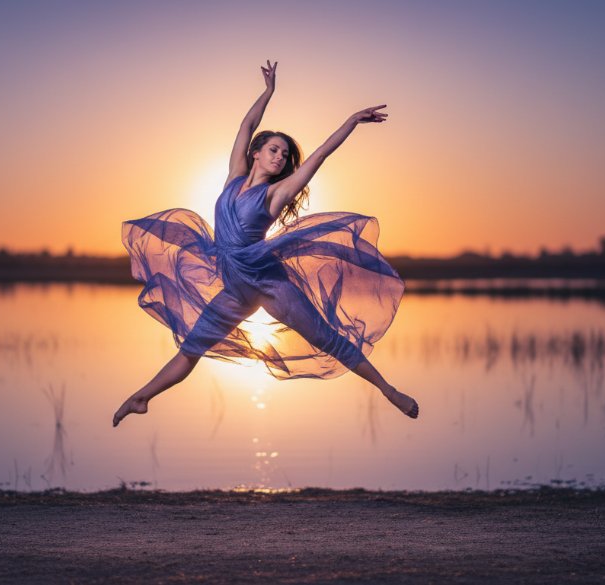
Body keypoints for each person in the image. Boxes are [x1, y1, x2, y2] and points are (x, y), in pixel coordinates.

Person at [113, 61, 418, 427]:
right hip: (234, 288)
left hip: (268, 283)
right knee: (192, 347)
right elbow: (246, 126)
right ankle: (140, 398)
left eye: (285, 155)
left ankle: (389, 391)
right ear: (256, 152)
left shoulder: (276, 193)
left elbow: (320, 154)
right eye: (274, 150)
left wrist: (351, 121)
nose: (280, 157)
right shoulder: (233, 177)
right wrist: (268, 92)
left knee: (327, 339)